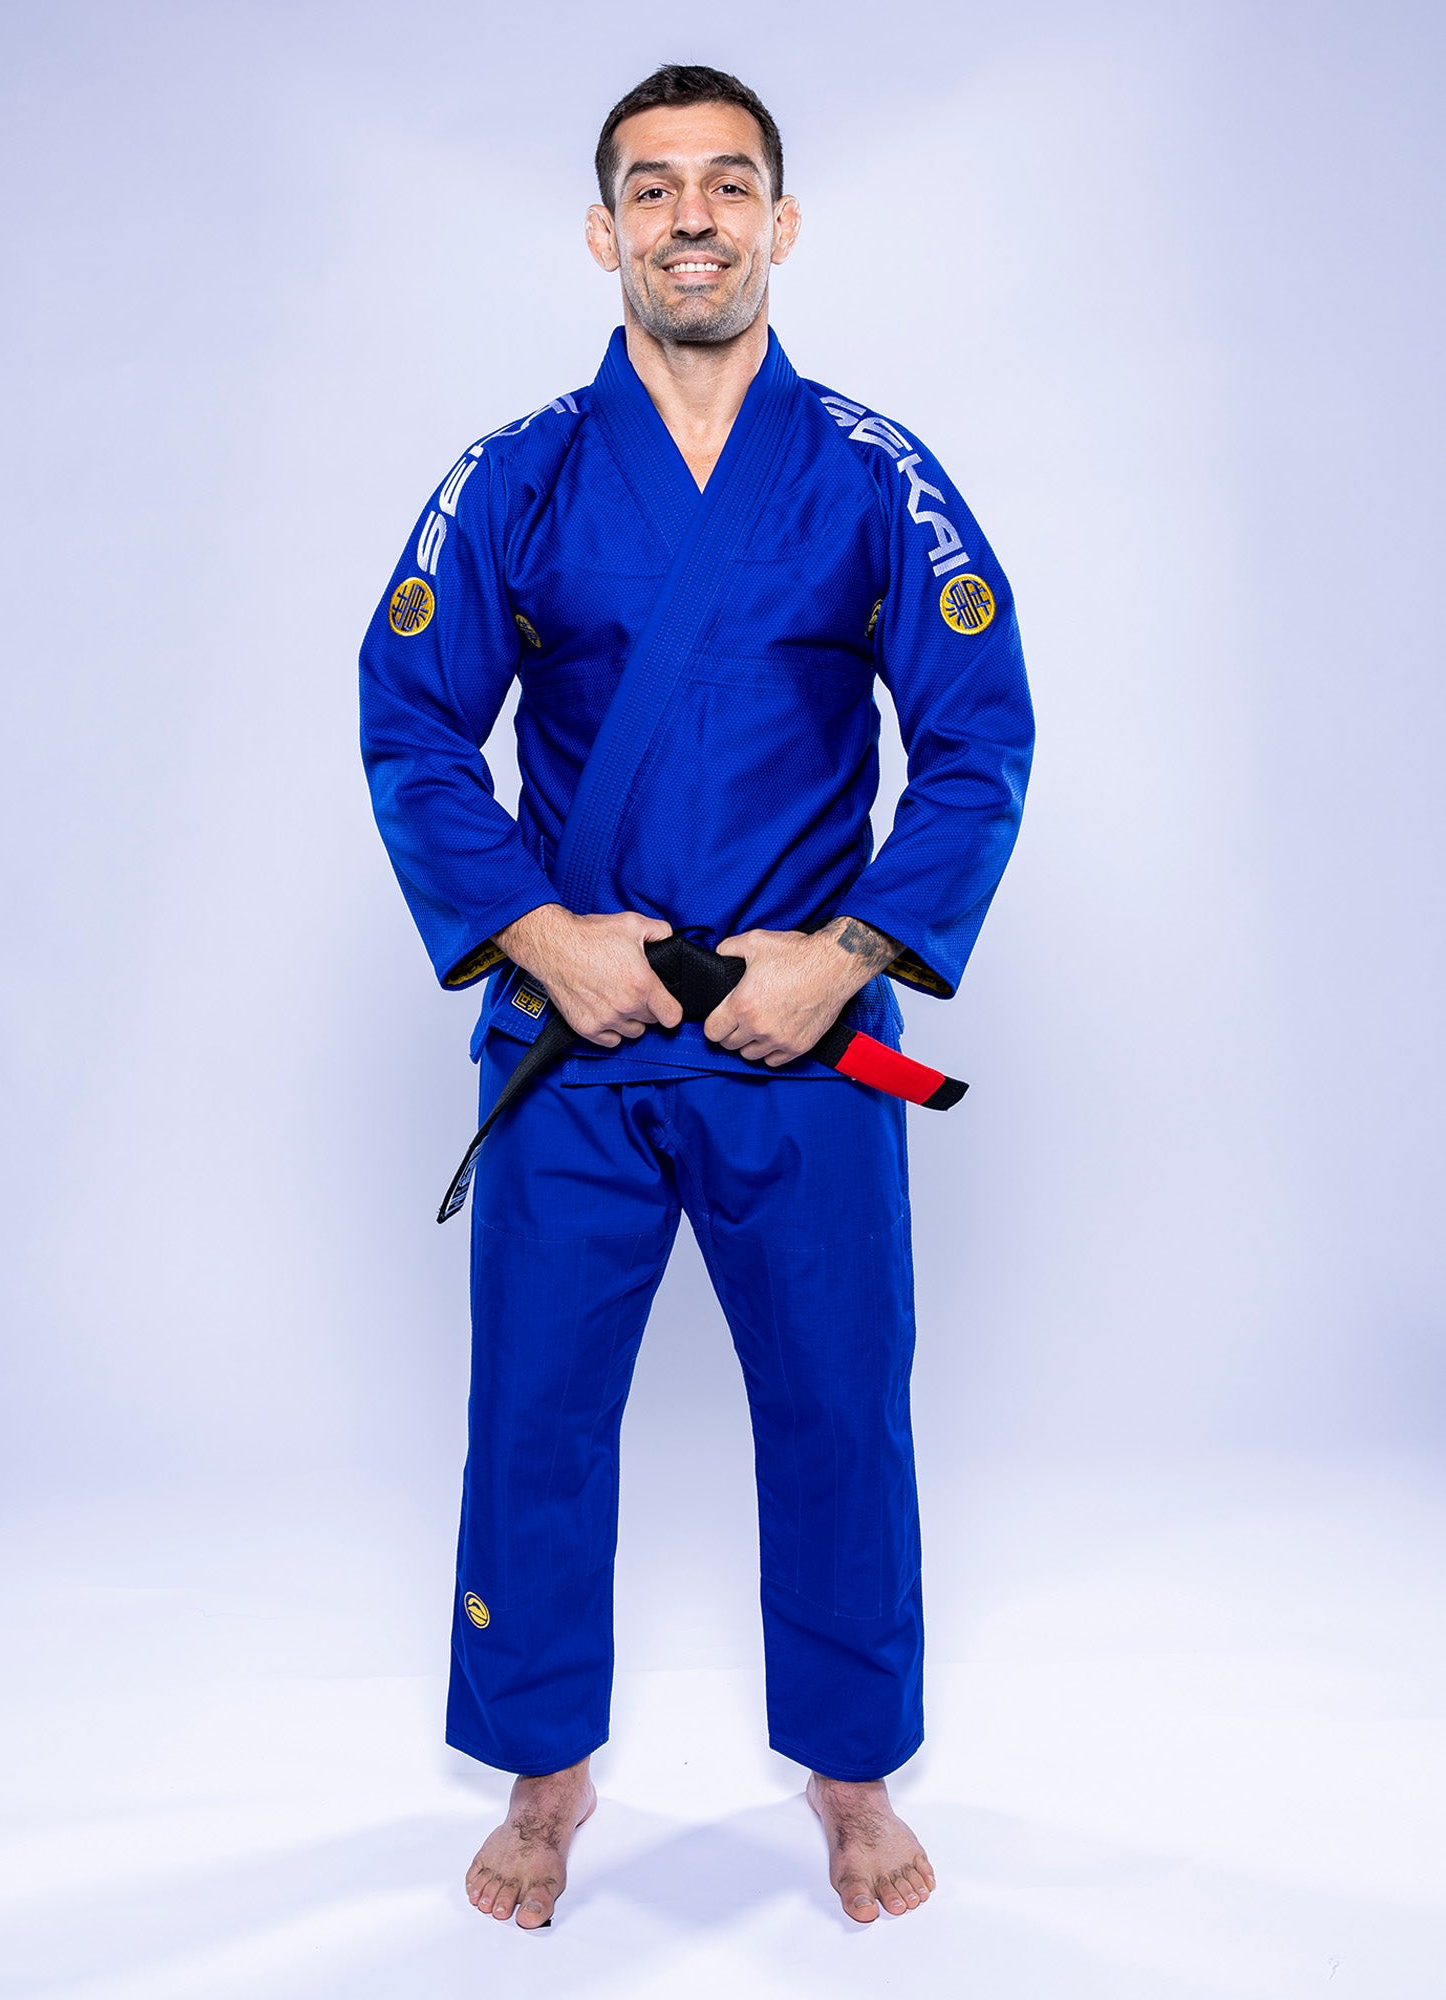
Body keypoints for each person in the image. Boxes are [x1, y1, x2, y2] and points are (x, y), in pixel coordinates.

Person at [359, 62, 1033, 1928]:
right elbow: (413, 722)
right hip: (577, 1034)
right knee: (540, 1411)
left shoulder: (879, 473)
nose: (692, 217)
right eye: (651, 190)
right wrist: (536, 937)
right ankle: (544, 1773)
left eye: (728, 184)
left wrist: (849, 960)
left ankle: (850, 1775)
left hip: (800, 1031)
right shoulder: (516, 475)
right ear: (604, 233)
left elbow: (976, 741)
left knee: (837, 1406)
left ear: (783, 224)